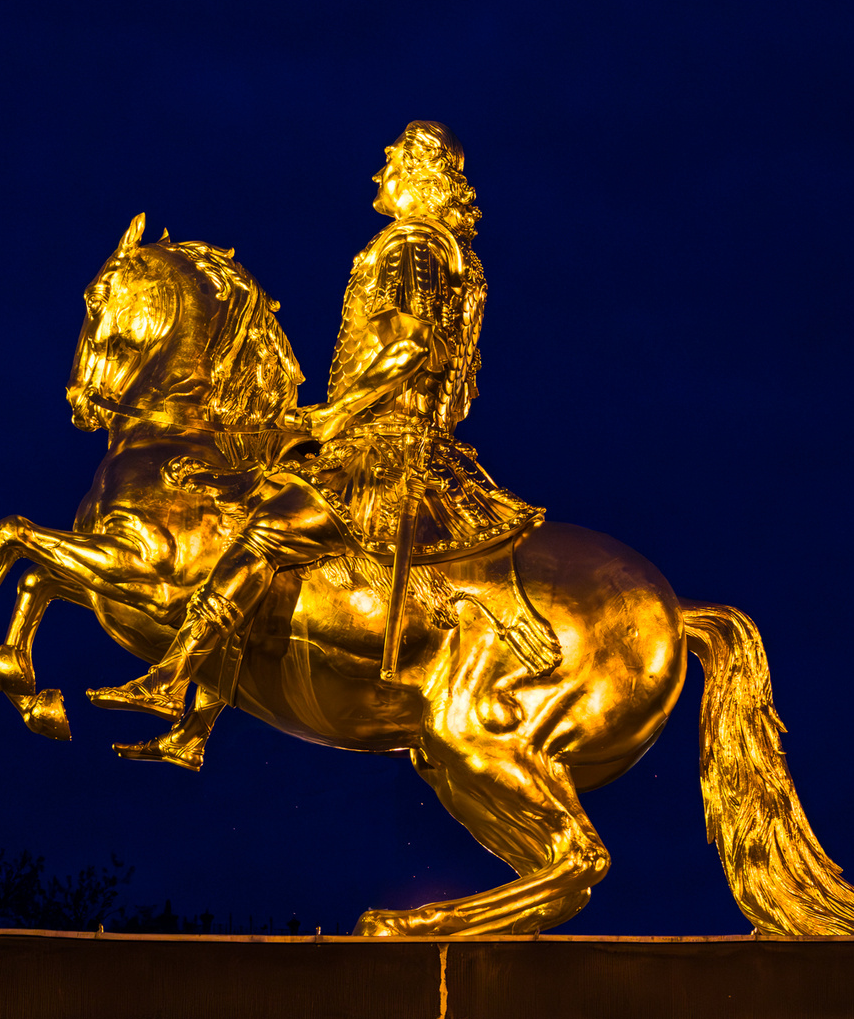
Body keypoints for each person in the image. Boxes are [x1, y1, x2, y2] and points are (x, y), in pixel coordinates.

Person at [89, 121, 542, 721]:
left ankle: (172, 681)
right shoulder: (453, 256)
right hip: (409, 441)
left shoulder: (411, 245)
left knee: (264, 533)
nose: (383, 169)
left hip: (383, 449)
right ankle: (196, 726)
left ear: (424, 181)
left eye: (397, 163)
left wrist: (336, 413)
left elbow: (410, 344)